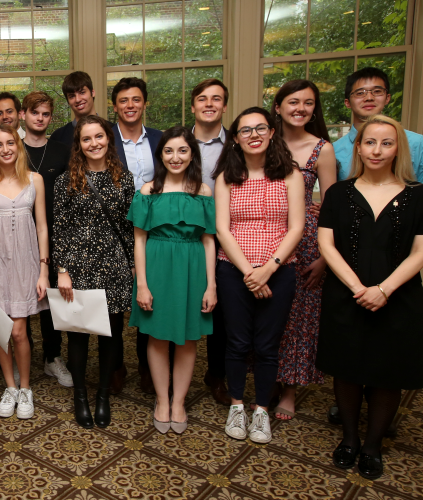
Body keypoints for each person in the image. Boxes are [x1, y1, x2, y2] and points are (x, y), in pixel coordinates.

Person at [317, 115, 423, 480]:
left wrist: (382, 290)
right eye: (370, 142)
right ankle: (350, 440)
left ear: (398, 147)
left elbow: (420, 252)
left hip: (397, 297)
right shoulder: (339, 192)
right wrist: (357, 288)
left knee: (387, 373)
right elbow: (326, 243)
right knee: (348, 369)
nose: (377, 150)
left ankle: (372, 446)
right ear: (358, 146)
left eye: (387, 143)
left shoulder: (419, 195)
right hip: (345, 292)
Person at [213, 107, 304, 444]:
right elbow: (222, 228)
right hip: (234, 270)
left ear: (271, 133)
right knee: (237, 342)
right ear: (235, 138)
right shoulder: (226, 177)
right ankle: (237, 406)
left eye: (260, 128)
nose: (254, 135)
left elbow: (297, 227)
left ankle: (262, 409)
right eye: (246, 130)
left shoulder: (290, 174)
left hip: (280, 270)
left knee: (268, 345)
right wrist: (250, 272)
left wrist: (268, 269)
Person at [129, 126, 216, 435]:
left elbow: (208, 241)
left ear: (192, 154)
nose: (175, 157)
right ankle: (162, 401)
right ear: (160, 155)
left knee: (188, 337)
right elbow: (139, 241)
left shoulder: (203, 191)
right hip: (156, 267)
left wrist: (211, 285)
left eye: (182, 150)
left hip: (192, 268)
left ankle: (179, 401)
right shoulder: (147, 191)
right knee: (157, 336)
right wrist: (141, 284)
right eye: (168, 151)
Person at [54, 115, 134, 429]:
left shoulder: (123, 179)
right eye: (87, 139)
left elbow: (129, 229)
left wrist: (131, 268)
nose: (94, 143)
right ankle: (81, 397)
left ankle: (102, 395)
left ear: (108, 139)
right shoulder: (67, 180)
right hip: (78, 268)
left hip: (114, 268)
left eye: (99, 137)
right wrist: (61, 270)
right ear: (80, 145)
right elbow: (59, 230)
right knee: (77, 334)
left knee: (110, 336)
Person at [269, 80, 337, 421]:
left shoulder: (321, 148)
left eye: (308, 103)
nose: (301, 108)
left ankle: (290, 388)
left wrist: (326, 258)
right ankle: (267, 379)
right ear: (278, 106)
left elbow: (333, 205)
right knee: (267, 313)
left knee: (299, 318)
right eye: (293, 102)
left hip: (308, 240)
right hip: (265, 235)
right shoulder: (264, 141)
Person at [0, 124, 50, 420]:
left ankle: (26, 388)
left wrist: (44, 271)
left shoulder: (35, 180)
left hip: (26, 263)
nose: (5, 149)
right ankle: (10, 387)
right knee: (1, 331)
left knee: (19, 331)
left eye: (10, 143)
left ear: (18, 147)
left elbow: (43, 226)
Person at [110, 76, 163, 395]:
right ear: (115, 106)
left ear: (144, 103)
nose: (130, 106)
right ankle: (116, 364)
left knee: (149, 299)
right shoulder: (105, 138)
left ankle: (147, 364)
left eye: (136, 100)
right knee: (114, 301)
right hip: (114, 231)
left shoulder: (159, 139)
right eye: (123, 101)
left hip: (152, 230)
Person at [20, 91, 73, 388]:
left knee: (51, 298)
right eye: (35, 113)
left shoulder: (62, 150)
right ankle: (22, 353)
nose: (40, 118)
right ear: (23, 115)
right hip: (18, 235)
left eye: (45, 114)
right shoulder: (11, 149)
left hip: (55, 234)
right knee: (22, 298)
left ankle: (52, 357)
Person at [190, 78, 231, 405]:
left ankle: (217, 373)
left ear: (224, 106)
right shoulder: (176, 142)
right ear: (193, 106)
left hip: (225, 233)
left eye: (216, 99)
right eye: (203, 98)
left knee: (221, 309)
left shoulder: (237, 144)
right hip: (182, 234)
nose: (209, 104)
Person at [334, 67, 423, 200]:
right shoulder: (334, 149)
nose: (369, 98)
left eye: (377, 91)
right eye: (360, 93)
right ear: (347, 102)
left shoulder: (417, 143)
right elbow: (334, 198)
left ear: (387, 98)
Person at [49, 71, 113, 150]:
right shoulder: (58, 137)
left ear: (92, 93)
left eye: (82, 92)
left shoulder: (112, 130)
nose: (78, 99)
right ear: (68, 101)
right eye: (72, 96)